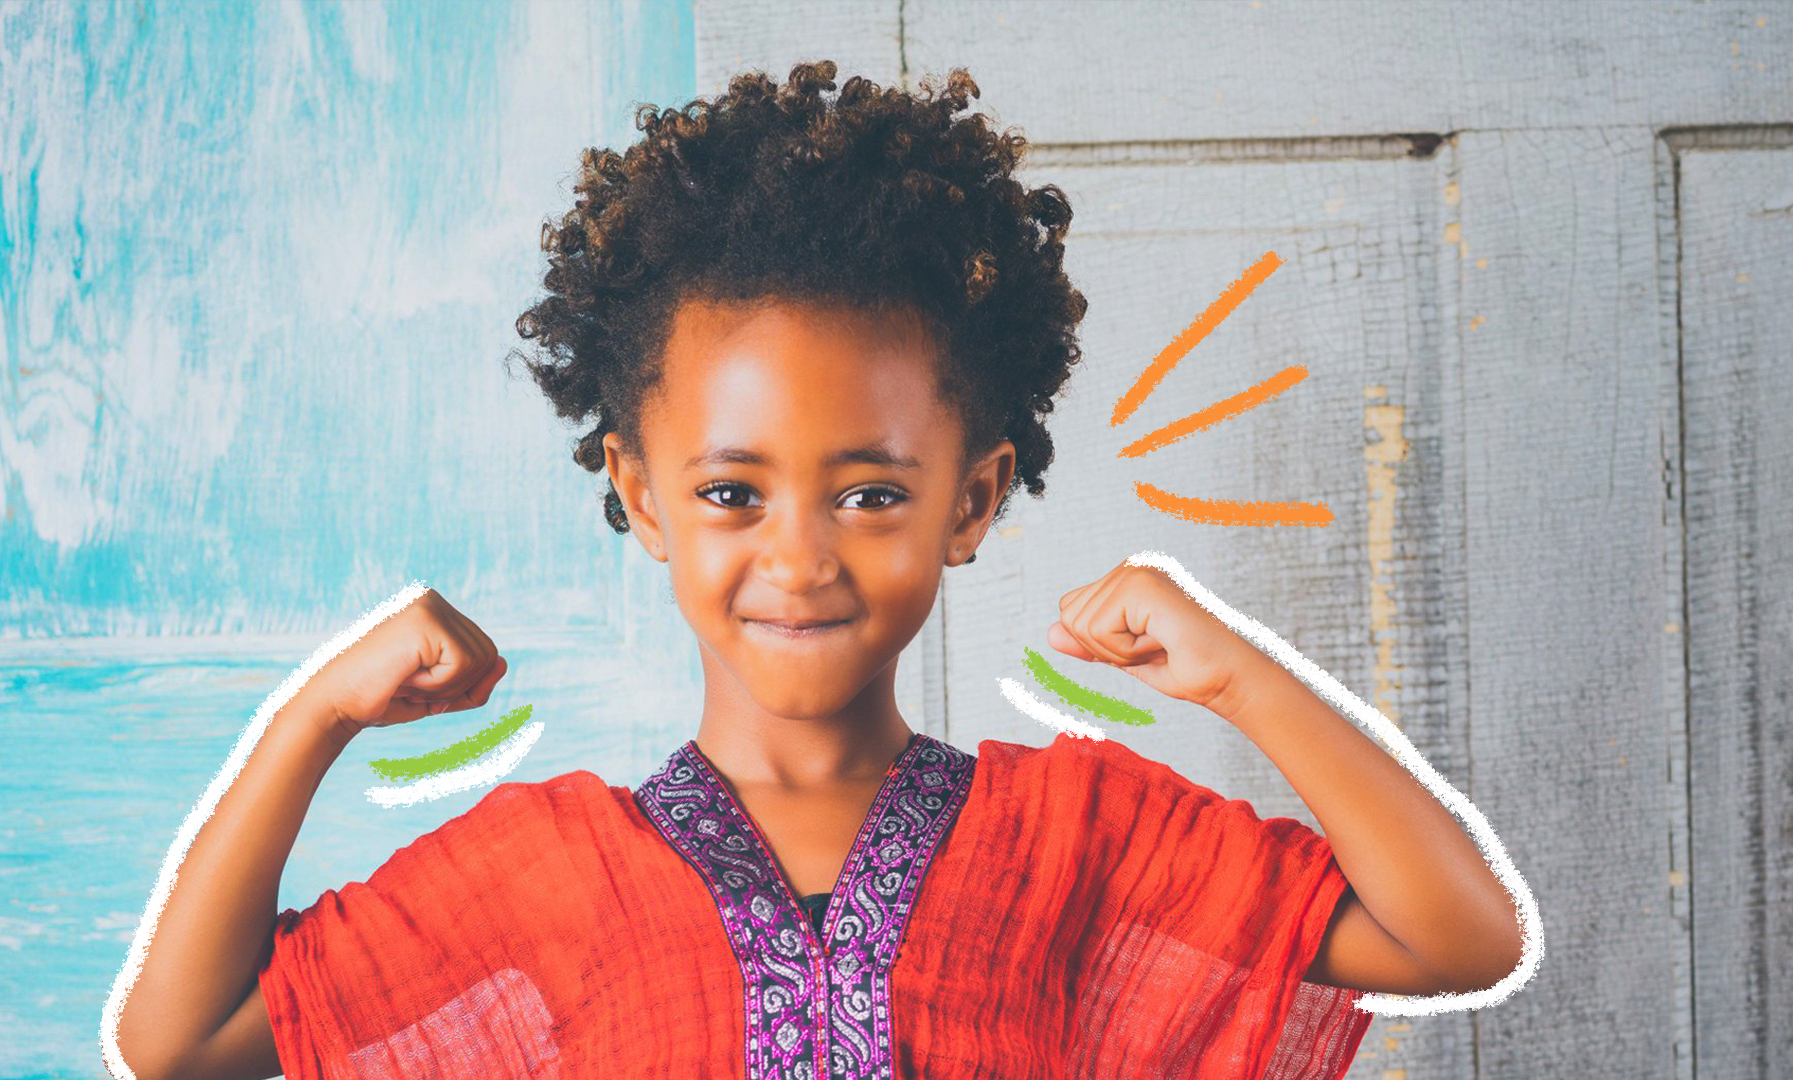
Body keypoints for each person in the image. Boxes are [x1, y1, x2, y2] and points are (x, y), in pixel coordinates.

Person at [116, 61, 1522, 1080]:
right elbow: (174, 1046)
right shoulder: (547, 871)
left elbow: (1459, 936)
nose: (797, 555)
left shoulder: (1079, 841)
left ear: (971, 503)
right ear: (640, 495)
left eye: (869, 492)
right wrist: (314, 716)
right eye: (732, 491)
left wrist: (1240, 673)